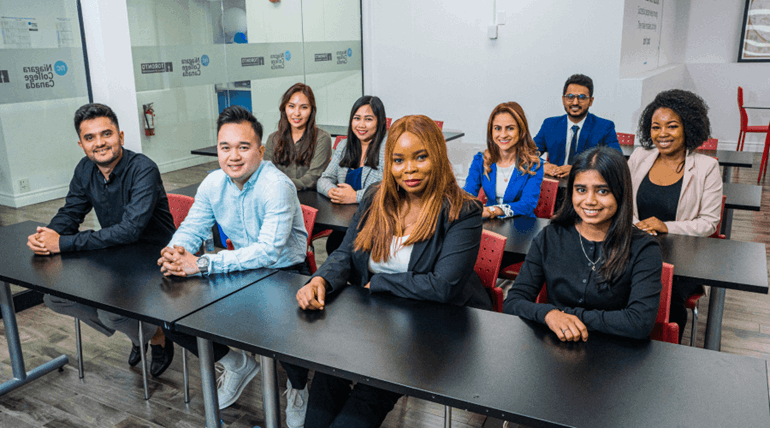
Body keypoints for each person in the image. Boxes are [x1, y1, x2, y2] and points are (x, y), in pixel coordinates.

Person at [296, 115, 492, 428]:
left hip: (425, 333)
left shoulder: (461, 210)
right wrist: (320, 278)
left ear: (437, 157)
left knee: (361, 405)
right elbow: (346, 252)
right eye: (399, 160)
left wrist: (380, 282)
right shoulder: (376, 196)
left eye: (420, 157)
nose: (409, 169)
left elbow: (443, 286)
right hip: (368, 322)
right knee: (325, 380)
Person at [157, 106, 311, 424]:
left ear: (260, 150)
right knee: (170, 319)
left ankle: (299, 386)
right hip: (238, 270)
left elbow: (268, 252)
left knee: (280, 333)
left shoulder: (277, 186)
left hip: (285, 273)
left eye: (243, 147)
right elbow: (191, 228)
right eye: (225, 147)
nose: (234, 156)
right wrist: (174, 252)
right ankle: (235, 362)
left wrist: (201, 263)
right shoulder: (214, 183)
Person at [27, 103, 176, 377]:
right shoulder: (85, 169)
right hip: (113, 254)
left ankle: (155, 336)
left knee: (110, 312)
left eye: (106, 134)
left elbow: (130, 230)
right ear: (81, 144)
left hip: (153, 259)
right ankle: (138, 331)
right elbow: (71, 212)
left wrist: (62, 243)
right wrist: (46, 235)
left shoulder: (143, 169)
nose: (99, 143)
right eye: (90, 137)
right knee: (54, 299)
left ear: (120, 135)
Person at [504, 146, 662, 342]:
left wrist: (565, 316)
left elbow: (639, 323)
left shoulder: (644, 248)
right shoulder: (550, 236)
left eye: (602, 191)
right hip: (557, 352)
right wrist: (549, 314)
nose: (589, 201)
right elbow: (513, 301)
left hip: (617, 357)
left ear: (621, 193)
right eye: (580, 190)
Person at [628, 89, 722, 340]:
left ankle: (665, 355)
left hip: (682, 257)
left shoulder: (706, 167)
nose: (662, 134)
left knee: (665, 298)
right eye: (656, 127)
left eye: (671, 126)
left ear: (688, 127)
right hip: (635, 246)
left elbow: (709, 223)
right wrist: (637, 226)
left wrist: (666, 226)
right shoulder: (639, 157)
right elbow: (622, 202)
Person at [317, 95, 387, 254]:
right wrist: (332, 191)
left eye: (368, 119)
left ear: (380, 122)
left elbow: (388, 188)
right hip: (345, 221)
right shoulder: (344, 145)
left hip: (375, 223)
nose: (361, 125)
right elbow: (324, 179)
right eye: (357, 118)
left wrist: (355, 196)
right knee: (334, 245)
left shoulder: (387, 149)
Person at [463, 101, 544, 219]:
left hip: (522, 226)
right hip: (490, 224)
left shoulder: (534, 164)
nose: (503, 134)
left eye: (510, 128)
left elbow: (527, 204)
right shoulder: (480, 160)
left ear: (521, 131)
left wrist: (493, 211)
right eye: (497, 128)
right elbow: (468, 193)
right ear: (491, 132)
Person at [534, 74, 621, 178]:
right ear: (563, 99)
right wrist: (544, 165)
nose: (575, 102)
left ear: (591, 101)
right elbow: (528, 152)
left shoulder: (605, 127)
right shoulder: (550, 124)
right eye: (570, 97)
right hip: (555, 185)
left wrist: (579, 169)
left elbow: (616, 161)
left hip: (587, 185)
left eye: (582, 97)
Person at [264, 82, 332, 190]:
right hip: (278, 196)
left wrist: (281, 184)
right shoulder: (273, 138)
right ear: (284, 108)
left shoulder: (322, 139)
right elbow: (266, 173)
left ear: (311, 110)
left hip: (311, 200)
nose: (296, 113)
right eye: (291, 106)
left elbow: (313, 177)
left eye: (303, 107)